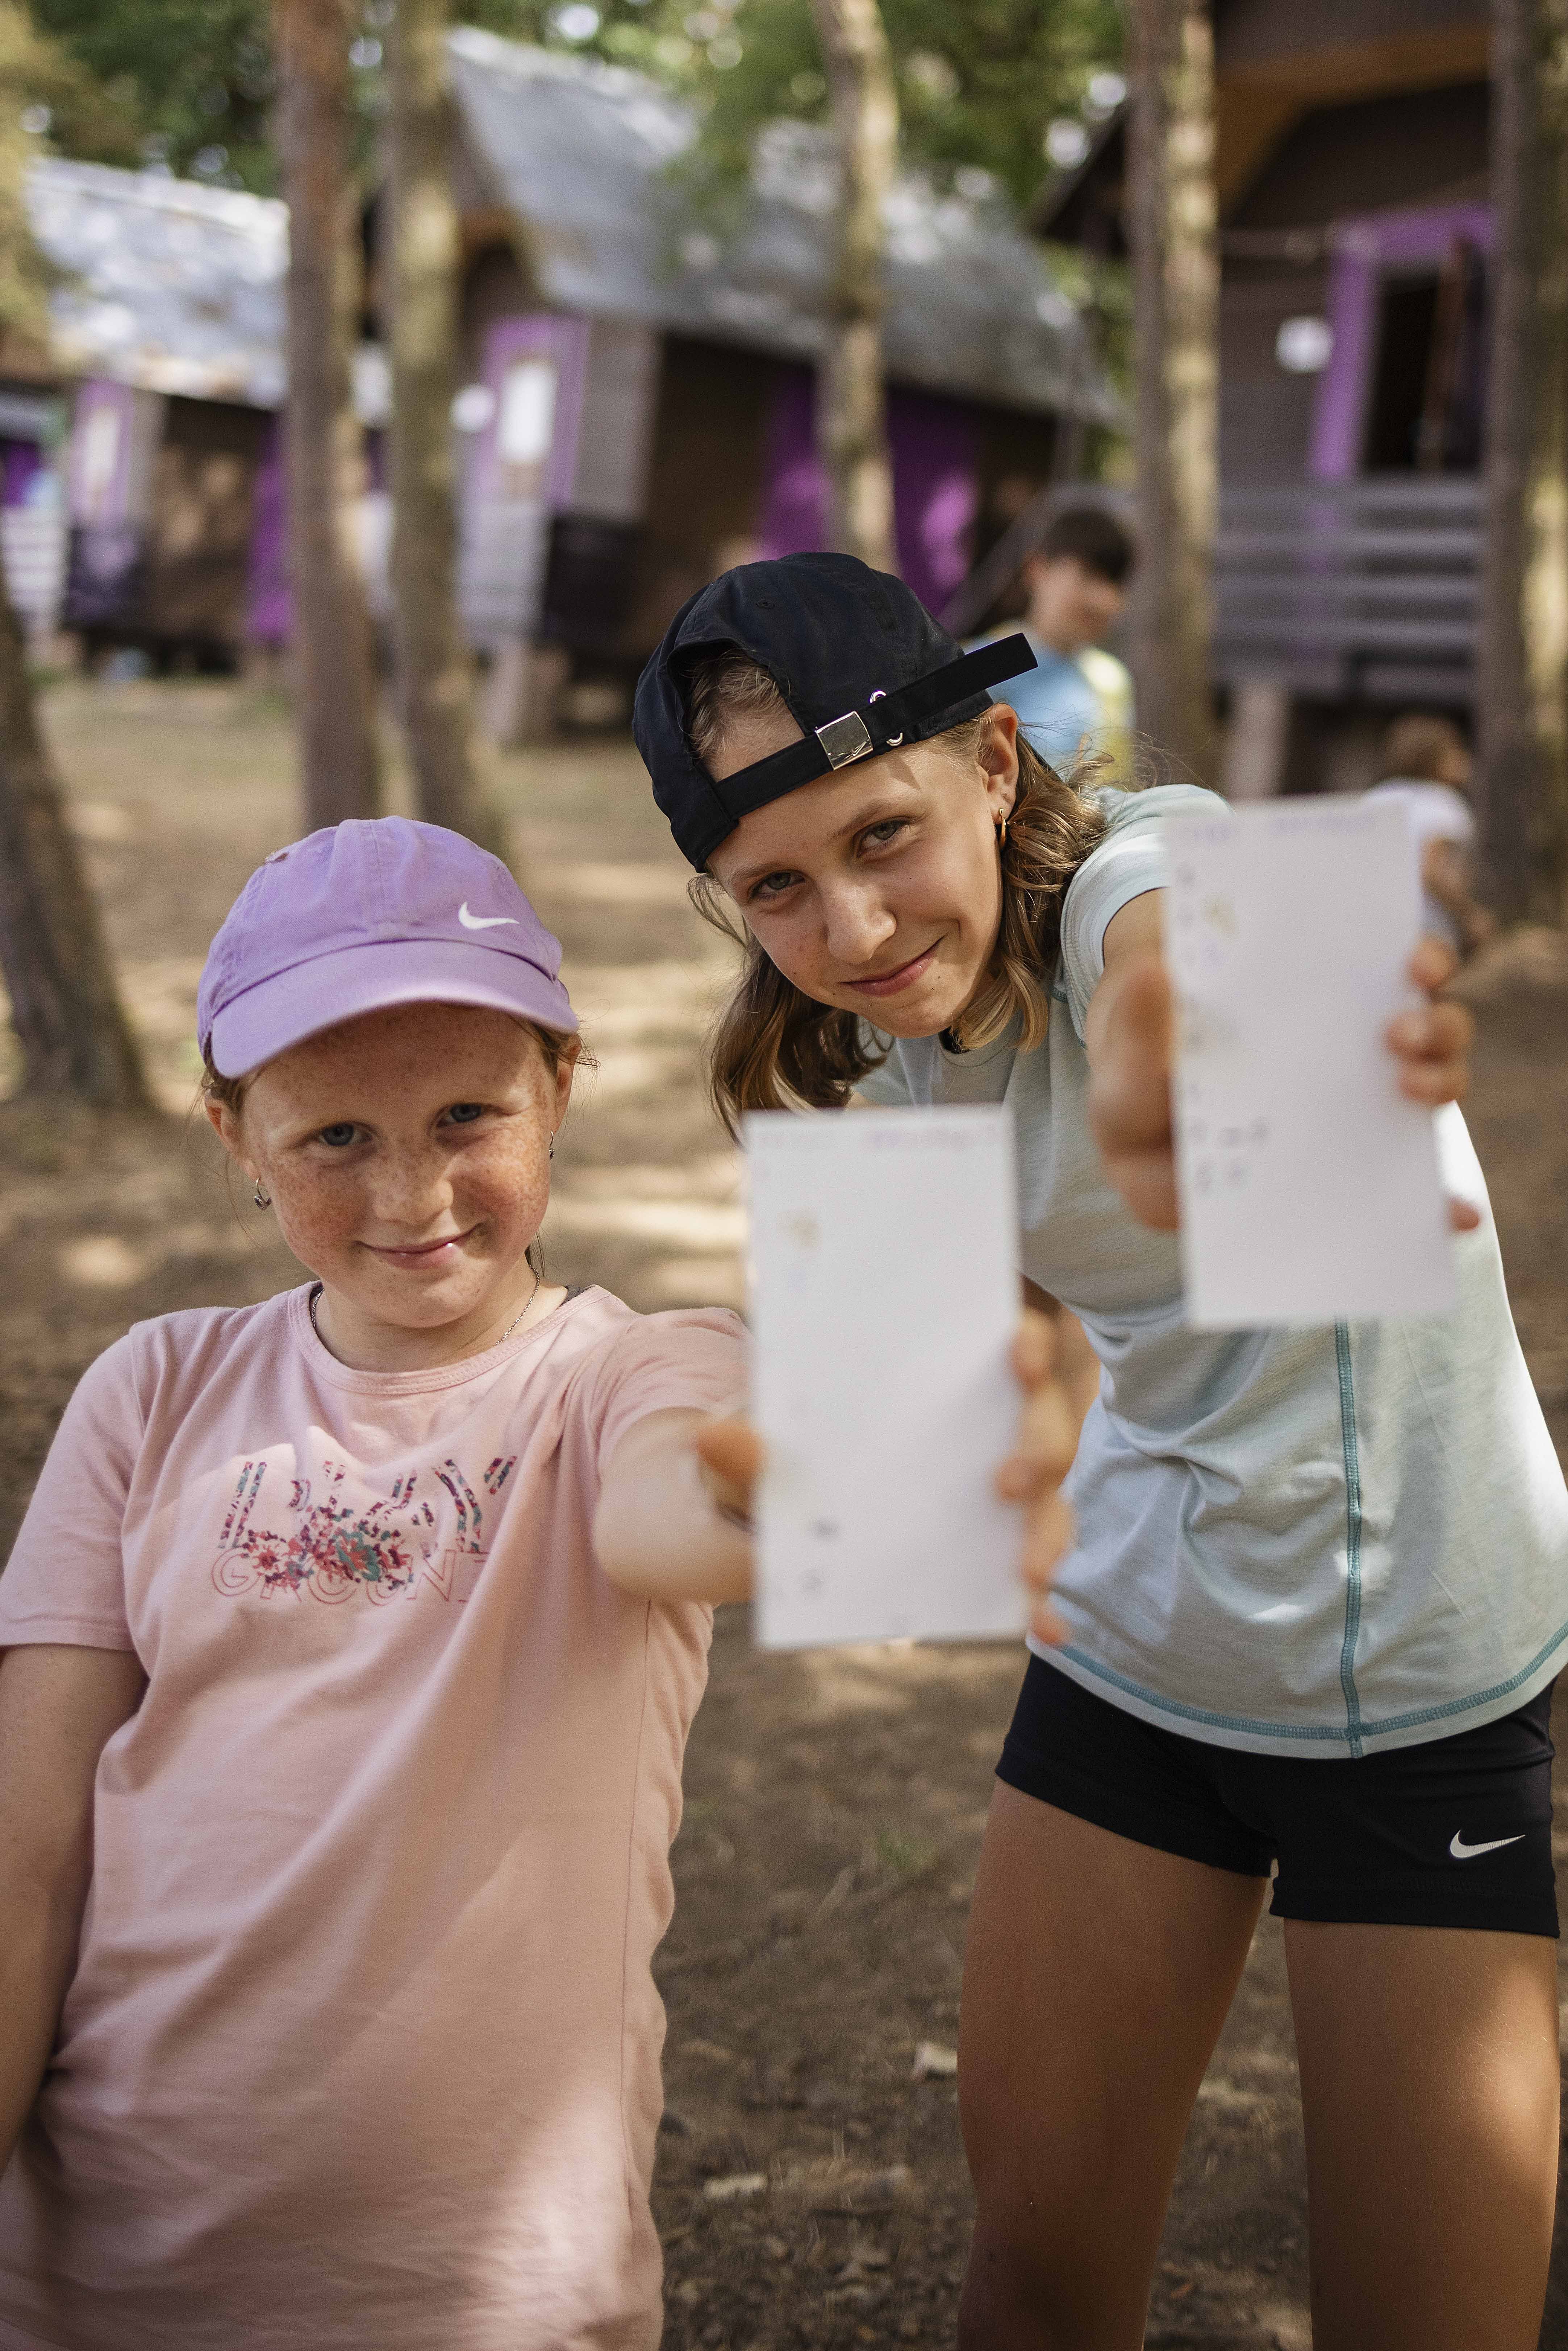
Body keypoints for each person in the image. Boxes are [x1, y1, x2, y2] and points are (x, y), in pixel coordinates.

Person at [633, 552, 1568, 2351]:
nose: (853, 926)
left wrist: (1193, 1050)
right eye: (775, 886)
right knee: (1036, 2273)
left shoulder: (1162, 869)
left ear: (993, 763)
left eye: (882, 834)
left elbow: (1193, 951)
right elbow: (911, 1490)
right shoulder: (859, 1061)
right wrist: (786, 1476)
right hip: (1137, 1646)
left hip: (1412, 1677)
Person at [0, 816, 772, 2351]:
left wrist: (771, 1492)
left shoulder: (630, 1372)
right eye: (335, 1138)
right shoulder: (152, 1389)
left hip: (486, 2295)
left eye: (467, 1114)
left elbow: (672, 1514)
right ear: (234, 1135)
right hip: (104, 2273)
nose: (414, 1194)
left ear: (562, 1084)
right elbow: (27, 1857)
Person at [969, 502, 1136, 779]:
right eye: (1089, 575)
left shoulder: (1112, 681)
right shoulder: (981, 665)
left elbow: (1115, 785)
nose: (1102, 599)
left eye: (1114, 583)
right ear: (1038, 568)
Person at [1366, 711, 1494, 956]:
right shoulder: (1443, 803)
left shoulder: (1376, 798)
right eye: (1457, 750)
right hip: (1429, 934)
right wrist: (1471, 917)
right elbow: (1433, 871)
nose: (1465, 758)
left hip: (1374, 926)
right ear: (1434, 759)